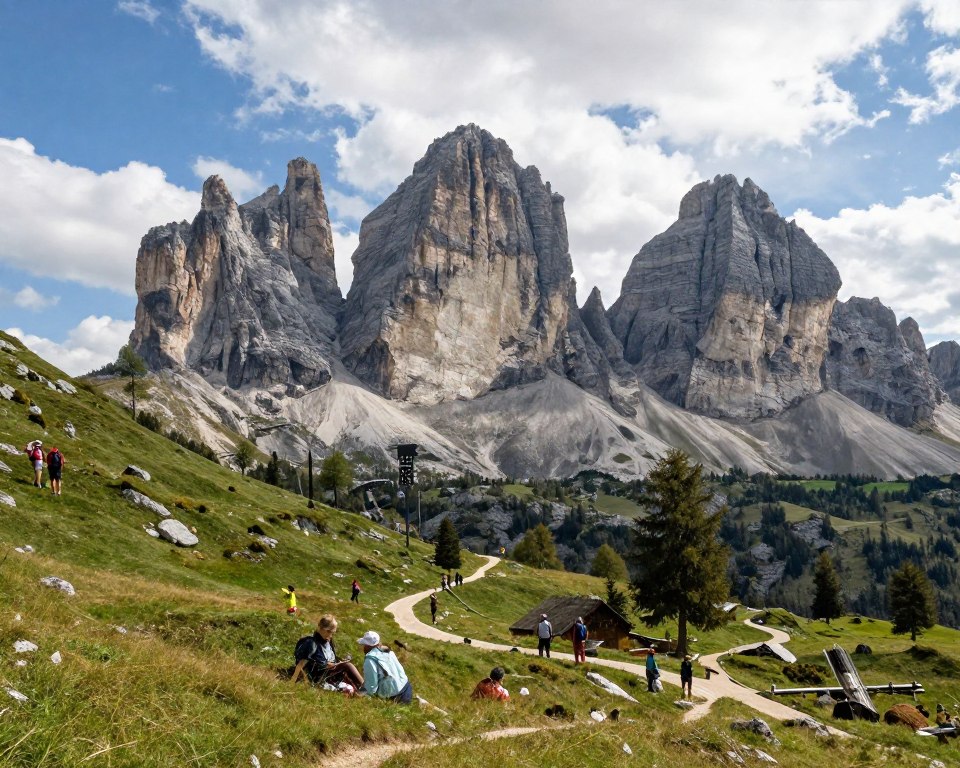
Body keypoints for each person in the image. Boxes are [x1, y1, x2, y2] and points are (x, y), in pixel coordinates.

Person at [294, 615, 364, 691]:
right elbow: (301, 663)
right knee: (348, 666)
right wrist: (293, 680)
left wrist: (338, 662)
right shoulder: (311, 643)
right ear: (324, 629)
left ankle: (362, 690)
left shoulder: (327, 640)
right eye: (330, 632)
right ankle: (365, 689)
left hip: (329, 671)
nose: (331, 636)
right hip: (319, 675)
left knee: (348, 674)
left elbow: (329, 657)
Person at [358, 630, 413, 703]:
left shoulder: (370, 660)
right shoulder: (389, 652)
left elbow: (371, 687)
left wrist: (361, 695)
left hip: (395, 697)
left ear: (367, 646)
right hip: (407, 689)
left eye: (364, 645)